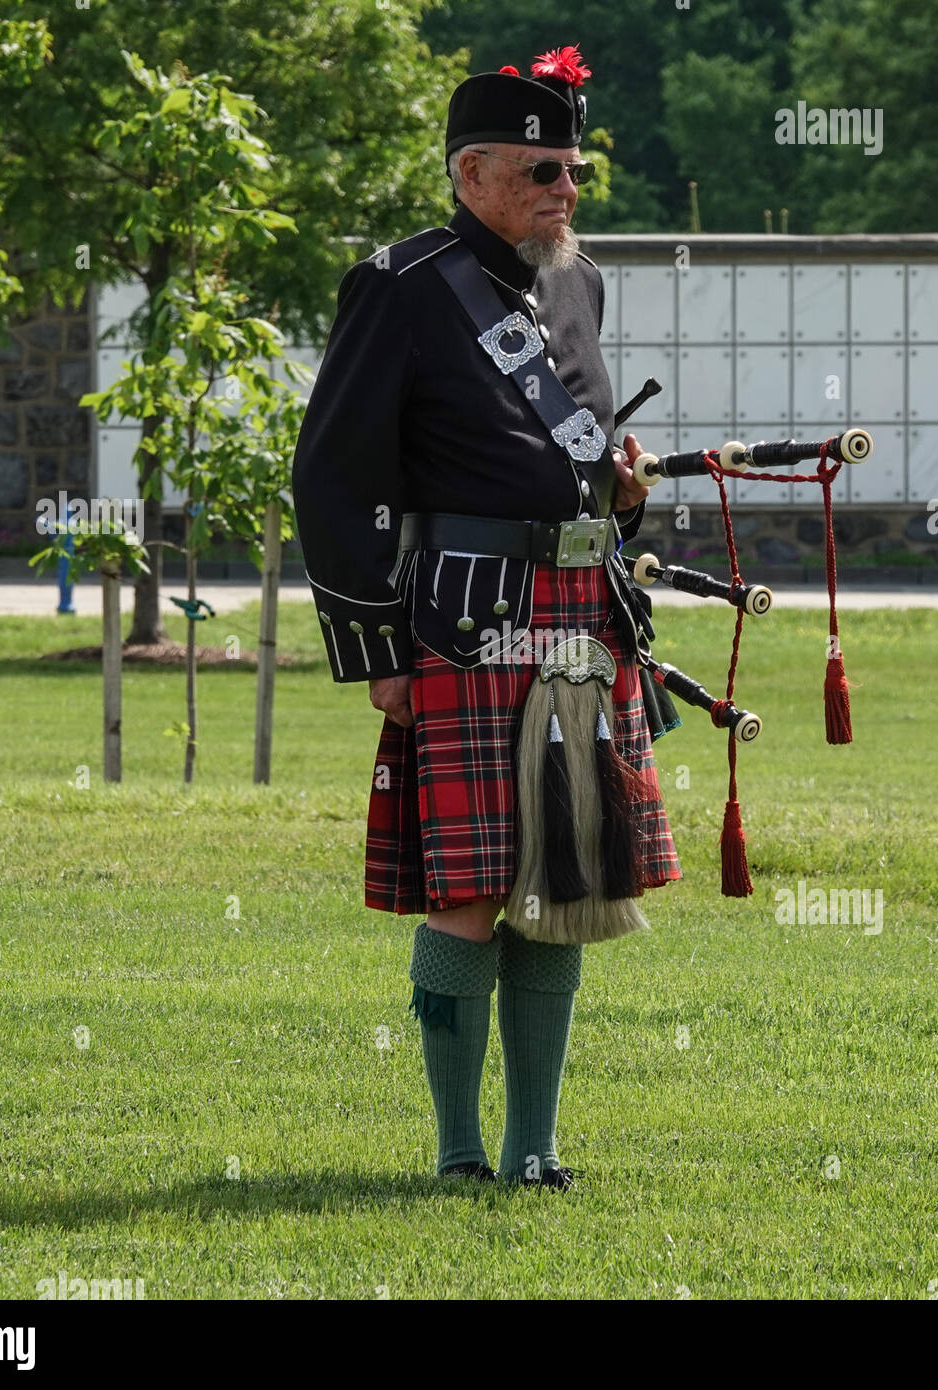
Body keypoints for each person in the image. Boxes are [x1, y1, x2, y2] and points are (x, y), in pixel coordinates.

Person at [291, 44, 680, 1190]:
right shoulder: (399, 286)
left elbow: (574, 446)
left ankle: (536, 1147)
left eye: (572, 169)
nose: (564, 190)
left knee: (566, 878)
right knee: (467, 886)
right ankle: (459, 1150)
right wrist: (374, 644)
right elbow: (334, 470)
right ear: (470, 173)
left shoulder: (581, 276)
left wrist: (619, 476)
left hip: (576, 612)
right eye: (540, 171)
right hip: (460, 621)